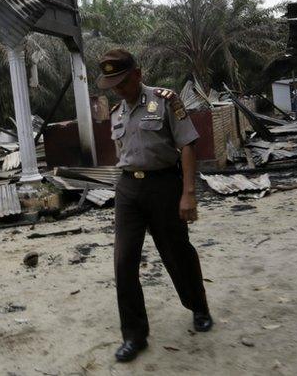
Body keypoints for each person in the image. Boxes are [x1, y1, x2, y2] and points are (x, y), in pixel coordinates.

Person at [96, 48, 211, 363]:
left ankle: (198, 306)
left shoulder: (166, 101)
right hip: (128, 190)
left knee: (176, 252)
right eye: (112, 84)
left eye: (122, 81)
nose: (118, 88)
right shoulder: (118, 112)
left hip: (163, 185)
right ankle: (134, 336)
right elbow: (124, 152)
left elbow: (187, 145)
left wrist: (188, 193)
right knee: (123, 261)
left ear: (138, 73)